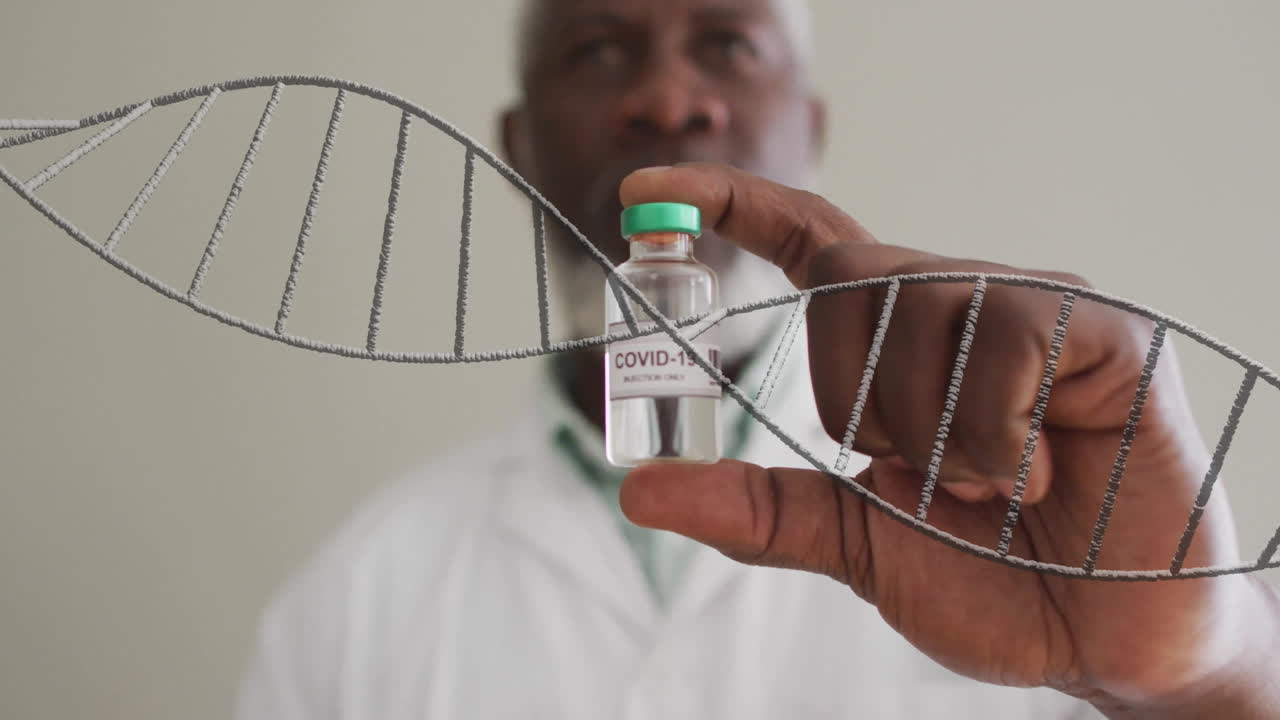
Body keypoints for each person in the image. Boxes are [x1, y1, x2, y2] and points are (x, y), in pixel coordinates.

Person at [236, 1, 1280, 718]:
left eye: (728, 42)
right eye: (596, 48)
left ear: (810, 127)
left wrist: (1206, 688)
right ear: (515, 146)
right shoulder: (359, 598)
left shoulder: (1030, 509)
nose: (666, 101)